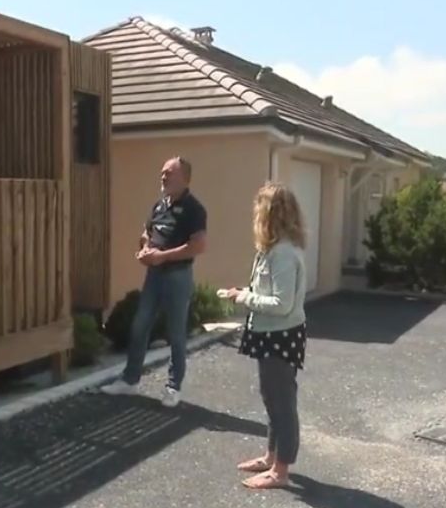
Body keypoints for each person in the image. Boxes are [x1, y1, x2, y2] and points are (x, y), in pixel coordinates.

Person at [219, 181, 309, 490]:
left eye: (259, 208)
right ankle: (271, 457)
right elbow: (269, 294)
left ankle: (280, 472)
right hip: (271, 334)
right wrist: (244, 293)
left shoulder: (283, 253)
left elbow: (281, 305)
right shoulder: (272, 250)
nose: (254, 213)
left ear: (270, 214)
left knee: (282, 402)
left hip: (280, 335)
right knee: (271, 397)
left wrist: (244, 298)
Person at [100, 156, 207, 407]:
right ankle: (129, 381)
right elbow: (147, 233)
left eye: (169, 173)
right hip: (155, 276)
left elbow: (198, 245)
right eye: (162, 172)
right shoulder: (159, 206)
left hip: (178, 277)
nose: (163, 176)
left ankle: (173, 387)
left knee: (176, 333)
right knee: (140, 326)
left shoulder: (194, 209)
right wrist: (146, 250)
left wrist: (162, 256)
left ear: (184, 178)